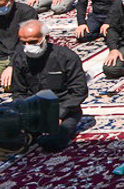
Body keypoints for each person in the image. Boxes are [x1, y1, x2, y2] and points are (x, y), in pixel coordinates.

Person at [9, 20, 88, 151]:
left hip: (64, 110)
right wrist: (31, 113)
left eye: (33, 42)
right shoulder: (19, 59)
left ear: (46, 38)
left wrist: (58, 114)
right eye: (24, 42)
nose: (28, 46)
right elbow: (19, 92)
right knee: (6, 136)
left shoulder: (66, 57)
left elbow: (79, 91)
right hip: (35, 110)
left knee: (51, 141)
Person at [0, 0, 38, 91]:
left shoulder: (27, 12)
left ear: (11, 0)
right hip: (3, 57)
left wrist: (12, 65)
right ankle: (2, 80)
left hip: (23, 57)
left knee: (13, 85)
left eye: (0, 5)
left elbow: (26, 43)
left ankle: (7, 80)